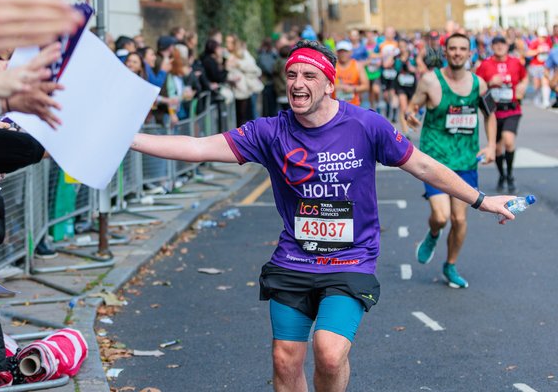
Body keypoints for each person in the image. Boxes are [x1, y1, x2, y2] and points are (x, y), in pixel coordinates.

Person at [130, 39, 515, 392]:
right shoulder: (270, 132)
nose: (298, 83)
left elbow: (425, 168)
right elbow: (197, 146)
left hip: (351, 258)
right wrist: (130, 138)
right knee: (285, 360)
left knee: (330, 354)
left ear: (329, 84)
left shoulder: (365, 125)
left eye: (309, 75)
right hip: (295, 258)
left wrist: (482, 200)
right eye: (292, 74)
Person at [406, 33, 497, 289]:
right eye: (452, 49)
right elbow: (412, 107)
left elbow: (490, 115)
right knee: (442, 216)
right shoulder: (430, 81)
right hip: (435, 160)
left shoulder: (479, 84)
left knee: (459, 220)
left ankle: (450, 265)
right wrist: (410, 116)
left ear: (470, 54)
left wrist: (491, 145)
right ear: (445, 53)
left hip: (466, 160)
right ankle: (433, 234)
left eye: (462, 49)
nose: (457, 53)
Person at [475, 35, 528, 192]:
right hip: (493, 112)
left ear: (507, 46)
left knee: (509, 140)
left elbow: (525, 78)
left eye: (502, 43)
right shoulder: (485, 64)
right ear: (492, 46)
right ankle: (502, 175)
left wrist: (522, 88)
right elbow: (476, 83)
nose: (499, 46)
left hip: (512, 109)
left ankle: (510, 174)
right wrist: (490, 83)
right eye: (496, 44)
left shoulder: (515, 62)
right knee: (497, 149)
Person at [334, 40, 368, 106]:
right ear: (337, 53)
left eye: (345, 51)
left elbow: (366, 86)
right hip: (335, 106)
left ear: (351, 52)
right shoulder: (332, 66)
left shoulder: (358, 66)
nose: (343, 54)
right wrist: (337, 87)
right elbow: (324, 84)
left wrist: (352, 89)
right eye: (341, 52)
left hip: (353, 105)